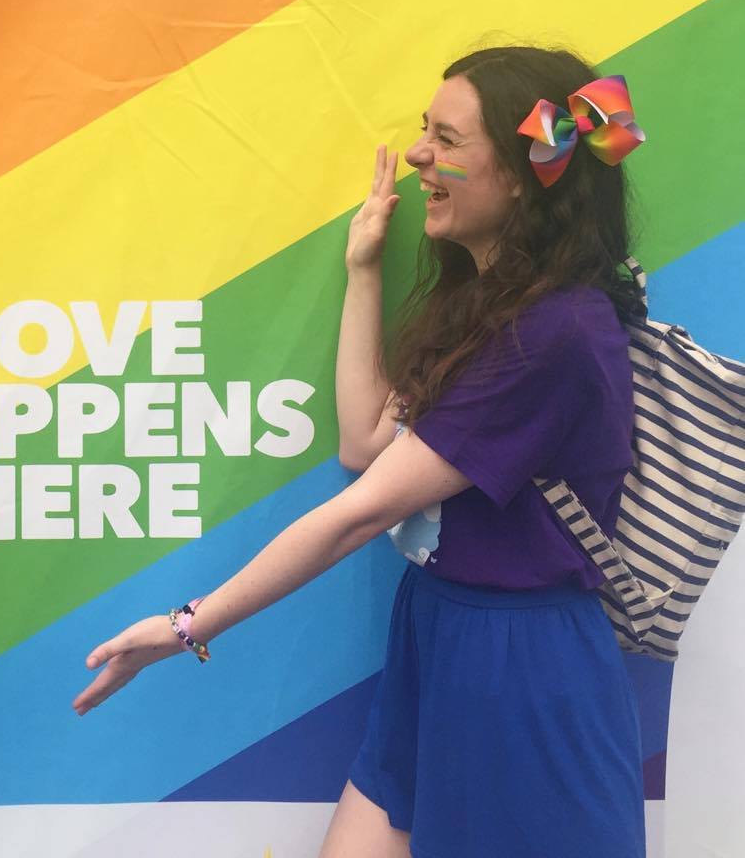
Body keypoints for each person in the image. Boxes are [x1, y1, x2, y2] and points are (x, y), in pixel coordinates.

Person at [73, 46, 648, 858]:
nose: (418, 155)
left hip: (519, 669)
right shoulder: (488, 307)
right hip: (439, 634)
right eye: (424, 131)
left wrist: (185, 624)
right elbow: (366, 441)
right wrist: (364, 268)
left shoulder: (554, 331)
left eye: (446, 139)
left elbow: (361, 511)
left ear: (522, 176)